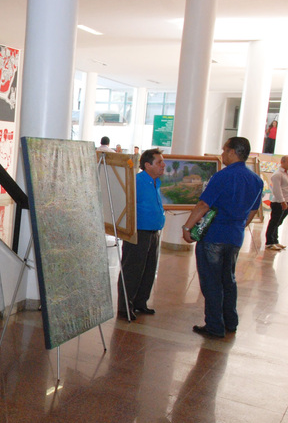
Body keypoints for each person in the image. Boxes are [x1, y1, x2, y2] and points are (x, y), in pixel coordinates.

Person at [182, 137, 263, 338]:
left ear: (233, 152)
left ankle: (214, 326)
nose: (222, 154)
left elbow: (203, 205)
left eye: (224, 150)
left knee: (211, 282)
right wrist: (238, 225)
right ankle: (230, 322)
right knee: (228, 280)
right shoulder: (256, 180)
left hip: (214, 236)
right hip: (235, 237)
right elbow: (253, 211)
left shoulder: (222, 176)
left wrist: (187, 227)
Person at [117, 148, 166, 321]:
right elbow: (123, 204)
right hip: (138, 233)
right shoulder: (136, 181)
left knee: (149, 269)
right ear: (147, 165)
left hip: (154, 232)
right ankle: (125, 307)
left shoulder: (156, 182)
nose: (163, 165)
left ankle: (140, 302)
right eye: (159, 162)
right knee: (132, 269)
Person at [265, 155, 288, 250]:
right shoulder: (277, 174)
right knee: (274, 222)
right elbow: (277, 190)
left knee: (278, 222)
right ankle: (269, 242)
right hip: (279, 203)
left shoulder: (285, 174)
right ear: (282, 162)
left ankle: (275, 240)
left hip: (285, 201)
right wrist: (282, 202)